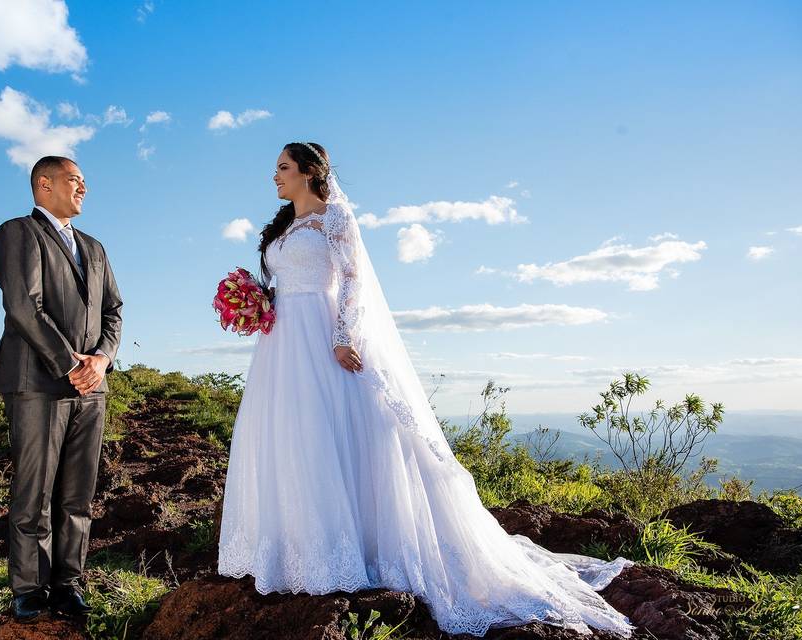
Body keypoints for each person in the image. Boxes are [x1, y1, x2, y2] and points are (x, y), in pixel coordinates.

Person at [217, 142, 635, 637]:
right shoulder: (283, 227)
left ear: (309, 173)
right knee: (287, 434)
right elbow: (286, 280)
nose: (275, 176)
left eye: (283, 168)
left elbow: (353, 282)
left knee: (325, 432)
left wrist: (343, 336)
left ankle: (345, 550)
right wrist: (257, 303)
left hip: (320, 336)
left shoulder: (335, 219)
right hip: (281, 343)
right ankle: (293, 550)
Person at [0, 155, 123, 621]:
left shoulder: (95, 247)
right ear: (44, 184)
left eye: (85, 180)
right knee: (35, 491)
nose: (84, 186)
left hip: (91, 387)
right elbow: (25, 305)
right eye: (74, 179)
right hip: (37, 383)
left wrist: (101, 361)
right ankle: (29, 589)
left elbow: (114, 312)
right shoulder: (17, 233)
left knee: (77, 494)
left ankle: (68, 584)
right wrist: (70, 365)